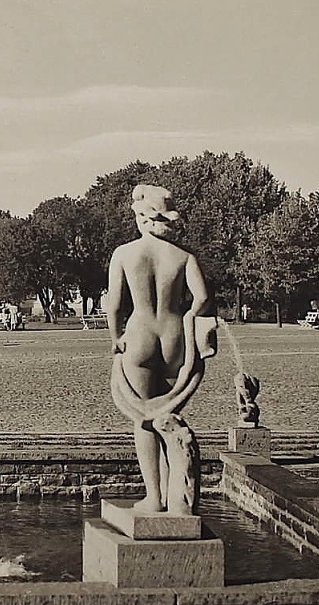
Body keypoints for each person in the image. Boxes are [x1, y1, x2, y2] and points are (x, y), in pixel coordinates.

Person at [106, 184, 218, 514]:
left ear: (142, 218)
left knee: (143, 419)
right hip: (174, 337)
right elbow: (202, 299)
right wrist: (188, 320)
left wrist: (115, 338)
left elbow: (114, 305)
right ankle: (175, 498)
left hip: (139, 334)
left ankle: (154, 497)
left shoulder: (125, 253)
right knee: (169, 416)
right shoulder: (184, 257)